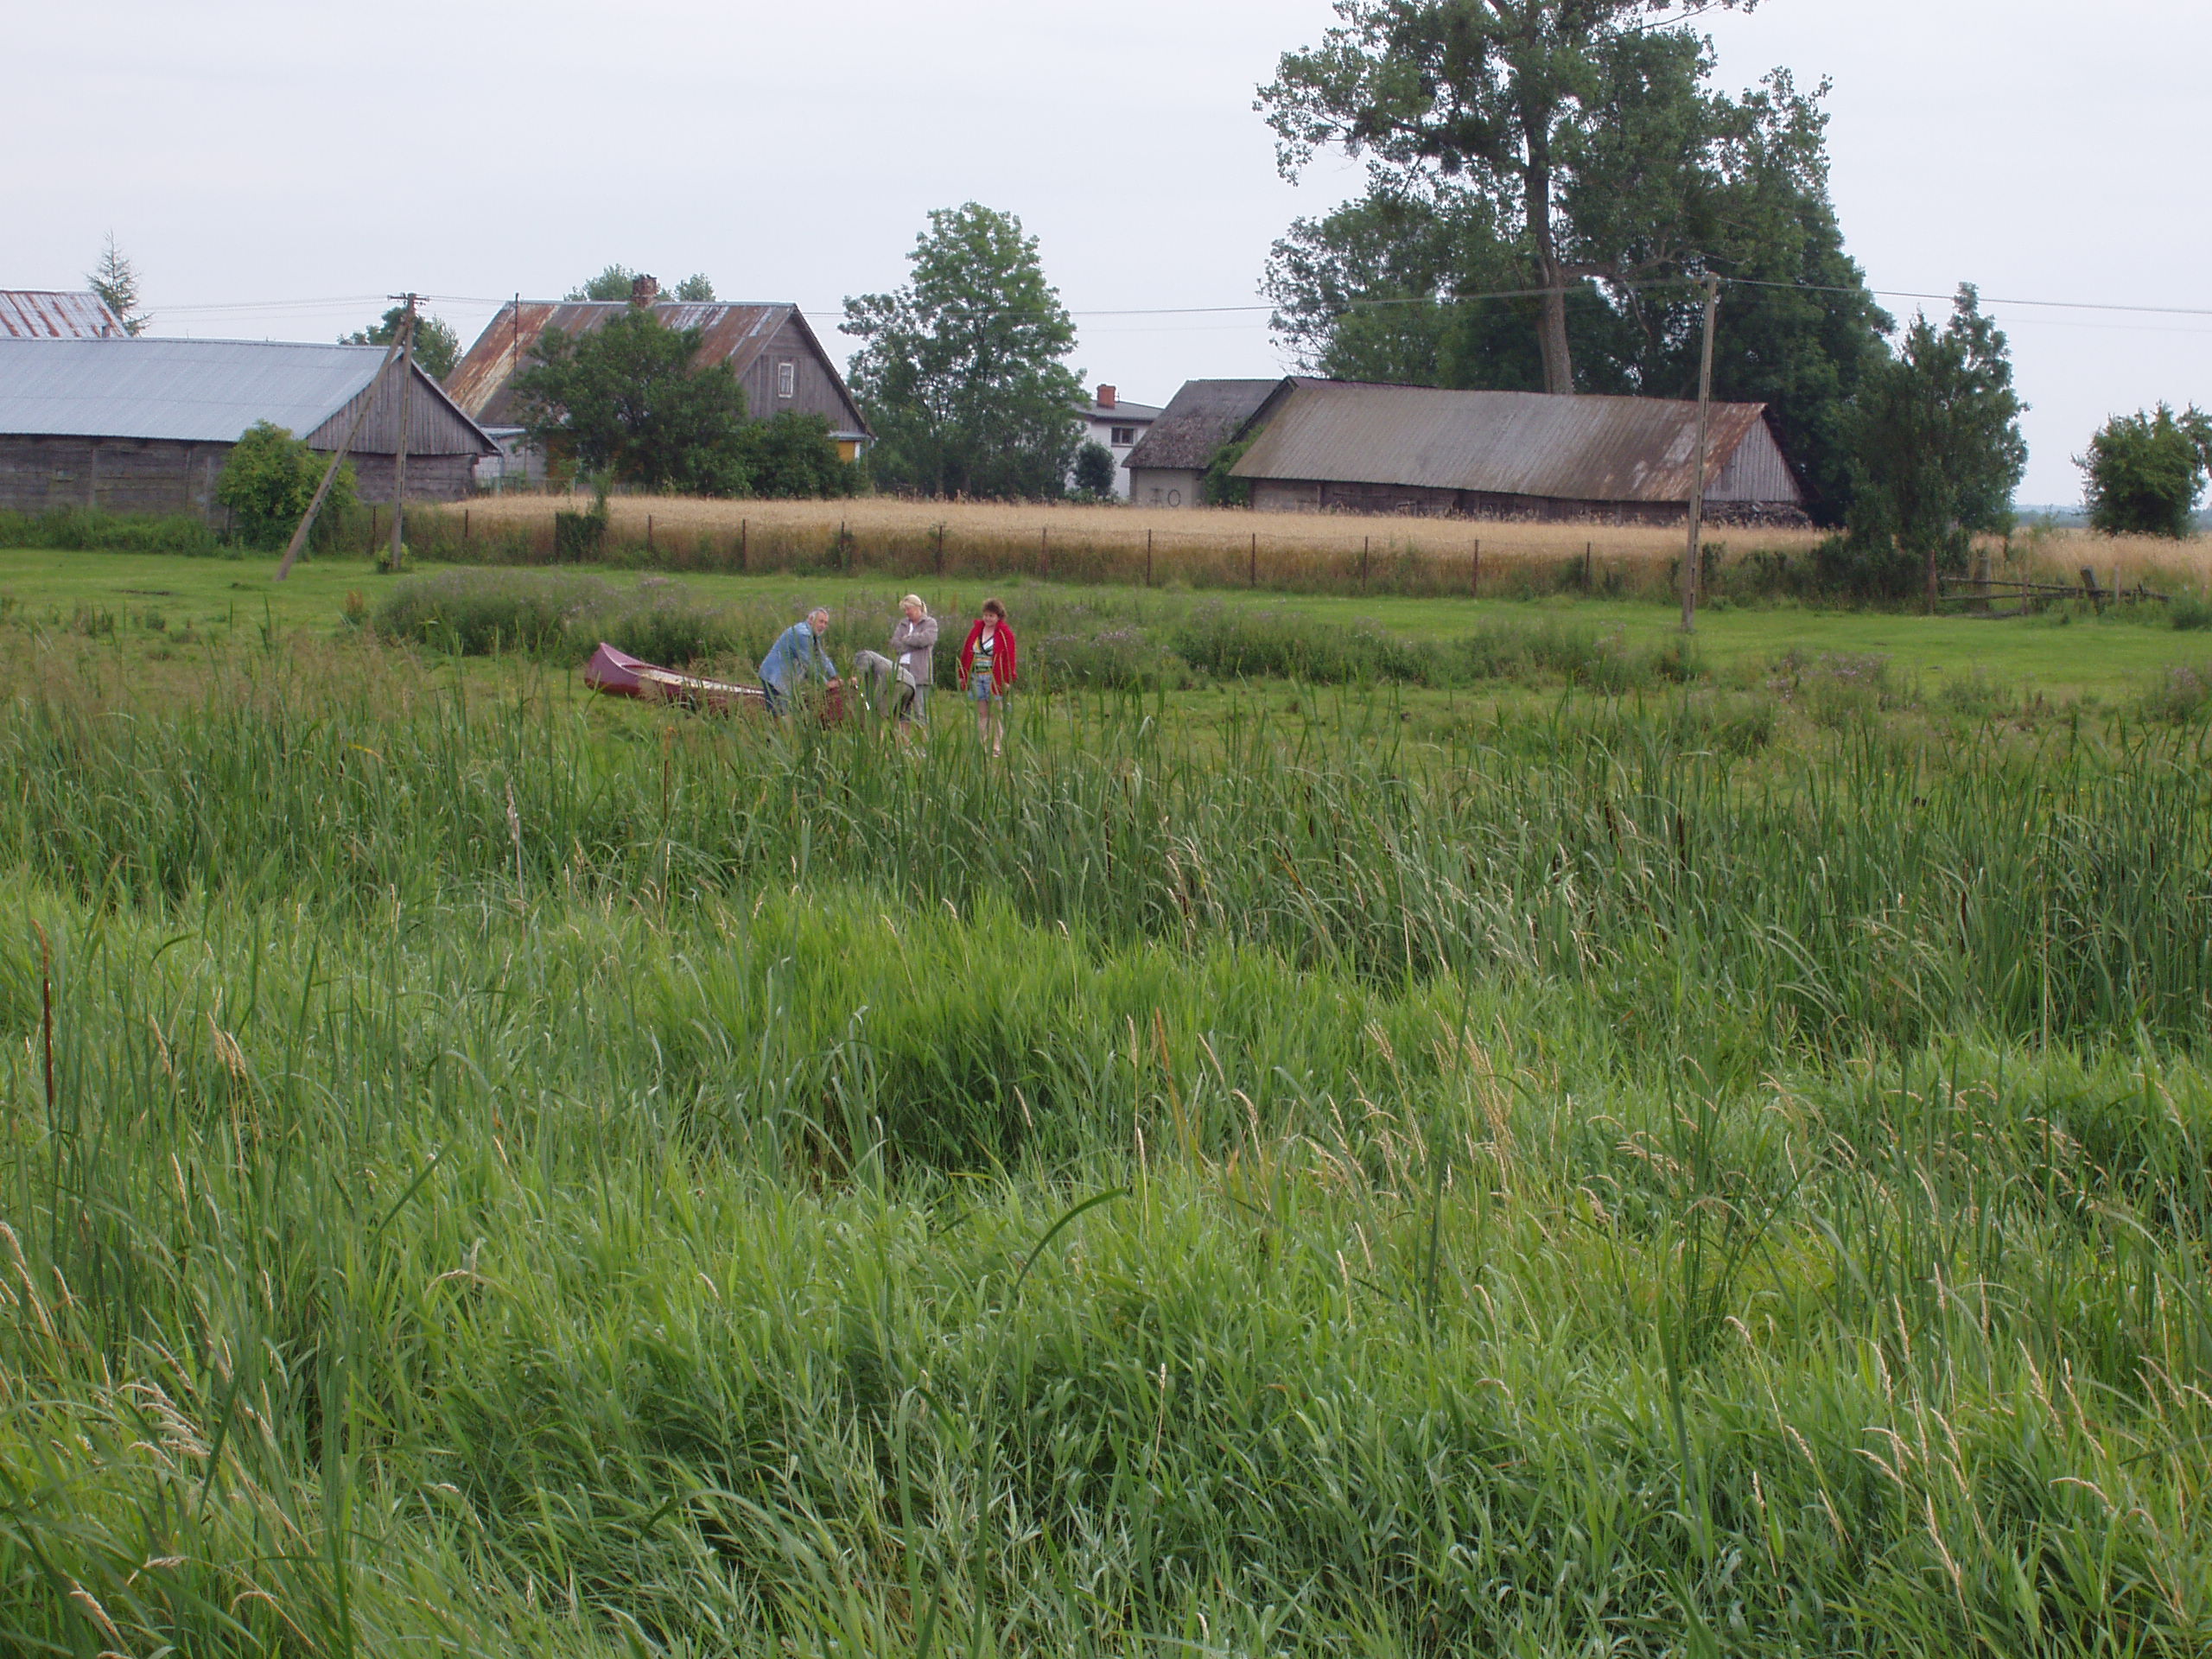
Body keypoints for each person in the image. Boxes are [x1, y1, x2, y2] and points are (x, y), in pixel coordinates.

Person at [852, 594, 938, 726]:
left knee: (920, 713)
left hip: (920, 673)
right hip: (901, 671)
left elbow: (925, 640)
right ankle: (903, 737)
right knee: (902, 713)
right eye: (905, 610)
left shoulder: (930, 623)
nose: (906, 612)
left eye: (909, 609)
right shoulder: (903, 624)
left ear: (917, 607)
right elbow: (895, 644)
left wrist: (906, 640)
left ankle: (922, 737)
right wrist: (913, 644)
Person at [957, 598, 1016, 756]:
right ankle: (982, 744)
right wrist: (963, 674)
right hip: (977, 676)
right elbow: (966, 652)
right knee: (982, 713)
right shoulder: (976, 631)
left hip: (994, 678)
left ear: (998, 616)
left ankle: (996, 746)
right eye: (986, 615)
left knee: (996, 713)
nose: (988, 619)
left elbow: (1010, 658)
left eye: (991, 616)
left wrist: (1007, 679)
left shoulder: (1005, 634)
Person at [758, 605, 839, 715]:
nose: (823, 626)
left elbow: (822, 657)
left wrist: (835, 677)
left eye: (826, 623)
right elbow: (809, 663)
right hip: (775, 678)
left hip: (785, 680)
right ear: (811, 620)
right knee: (780, 715)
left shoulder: (811, 635)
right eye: (821, 622)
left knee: (788, 712)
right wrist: (825, 683)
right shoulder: (802, 634)